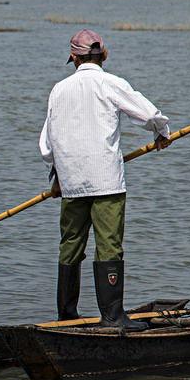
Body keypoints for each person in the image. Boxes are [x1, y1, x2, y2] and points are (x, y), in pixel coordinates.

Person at [39, 29, 171, 331]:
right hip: (106, 181)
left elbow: (48, 144)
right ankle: (112, 317)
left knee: (70, 245)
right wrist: (161, 133)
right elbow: (148, 113)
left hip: (71, 181)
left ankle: (66, 316)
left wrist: (57, 176)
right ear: (104, 55)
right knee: (109, 245)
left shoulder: (58, 90)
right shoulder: (110, 83)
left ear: (73, 57)